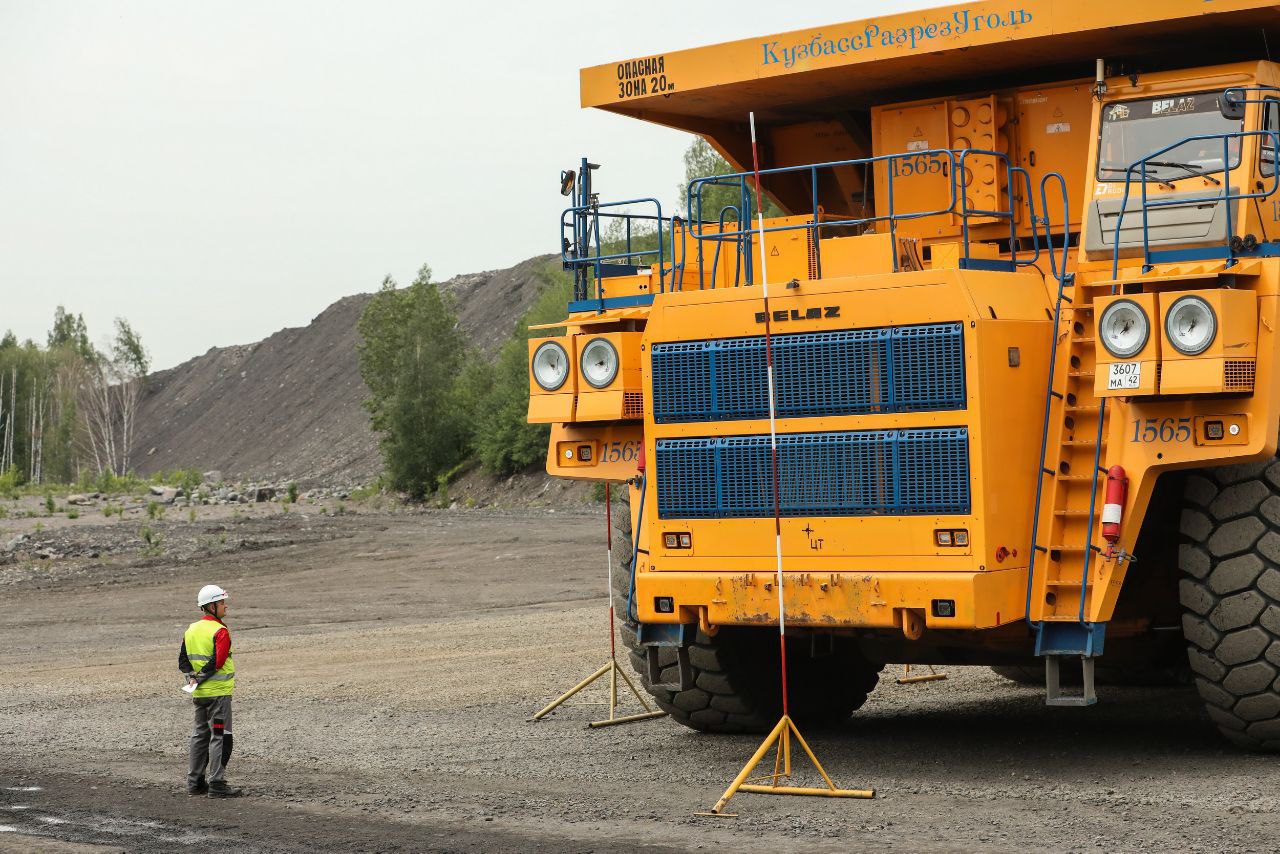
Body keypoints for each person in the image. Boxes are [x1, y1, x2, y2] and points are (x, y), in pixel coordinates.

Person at [178, 584, 242, 797]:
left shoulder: (191, 629)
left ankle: (195, 783)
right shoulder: (220, 631)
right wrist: (202, 676)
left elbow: (183, 660)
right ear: (211, 606)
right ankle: (217, 783)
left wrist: (193, 679)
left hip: (200, 696)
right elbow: (218, 661)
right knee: (220, 735)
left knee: (200, 735)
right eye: (222, 602)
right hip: (218, 696)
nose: (225, 606)